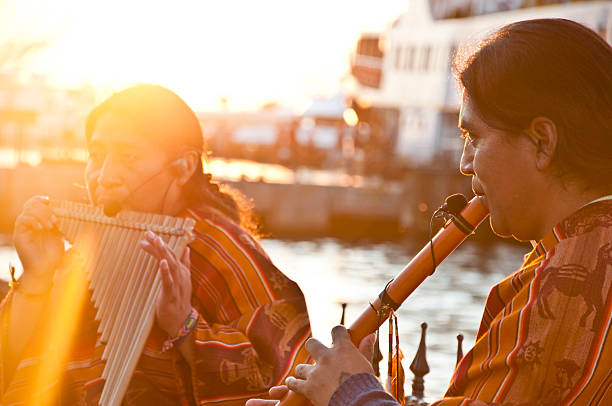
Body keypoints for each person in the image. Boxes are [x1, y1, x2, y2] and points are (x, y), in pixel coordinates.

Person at [248, 18, 612, 406]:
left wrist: (352, 392)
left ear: (542, 142)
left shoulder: (572, 283)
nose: (464, 163)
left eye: (475, 137)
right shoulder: (576, 252)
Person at [0, 84, 312, 405]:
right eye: (96, 156)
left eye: (128, 156)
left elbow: (288, 379)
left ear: (183, 166)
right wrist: (36, 277)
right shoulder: (82, 258)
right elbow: (11, 368)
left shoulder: (219, 247)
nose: (105, 176)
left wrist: (184, 324)